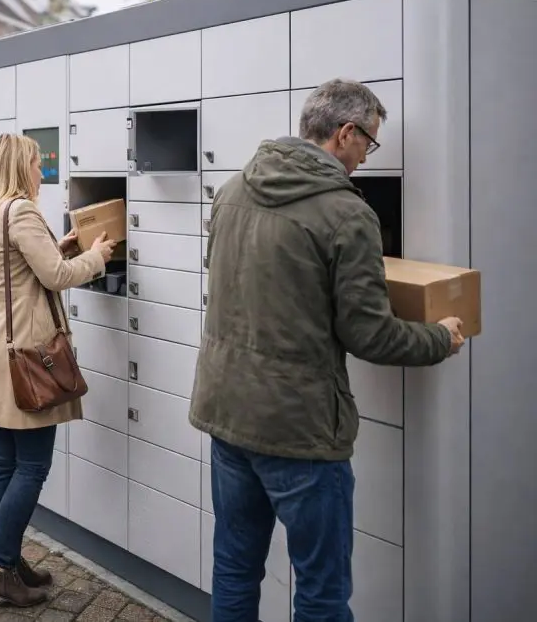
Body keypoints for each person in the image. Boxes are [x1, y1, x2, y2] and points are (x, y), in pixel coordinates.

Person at [190, 78, 465, 622]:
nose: (367, 156)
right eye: (370, 142)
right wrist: (442, 336)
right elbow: (370, 334)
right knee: (320, 590)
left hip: (227, 415)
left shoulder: (232, 190)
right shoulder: (347, 214)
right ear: (345, 133)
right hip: (301, 433)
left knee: (234, 568)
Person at [0, 134, 116, 607]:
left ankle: (6, 560)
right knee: (32, 466)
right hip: (30, 358)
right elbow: (55, 277)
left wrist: (61, 245)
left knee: (4, 464)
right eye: (37, 163)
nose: (41, 171)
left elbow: (26, 268)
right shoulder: (22, 210)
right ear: (20, 166)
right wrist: (97, 256)